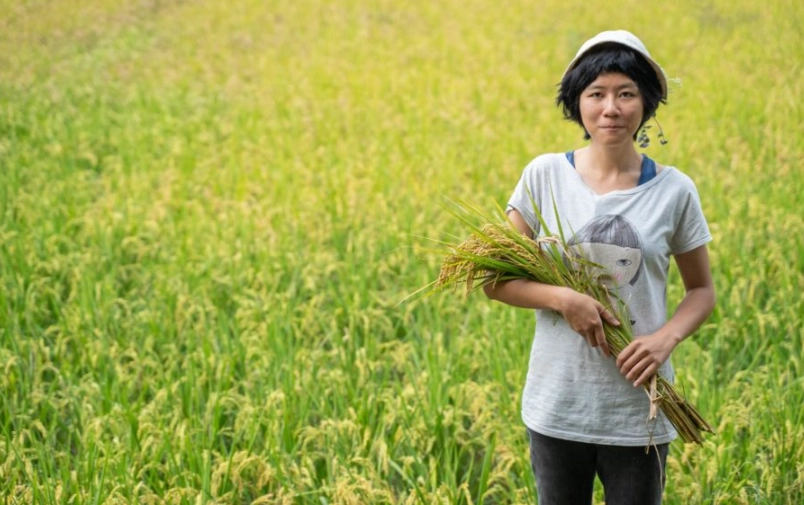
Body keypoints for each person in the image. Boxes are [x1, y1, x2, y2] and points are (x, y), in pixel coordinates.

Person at [482, 30, 715, 505]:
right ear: (577, 103)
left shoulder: (674, 190)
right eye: (597, 94)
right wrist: (563, 298)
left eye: (626, 94)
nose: (611, 107)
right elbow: (496, 279)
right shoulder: (544, 176)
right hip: (558, 404)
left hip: (639, 410)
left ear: (646, 105)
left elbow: (702, 291)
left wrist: (664, 339)